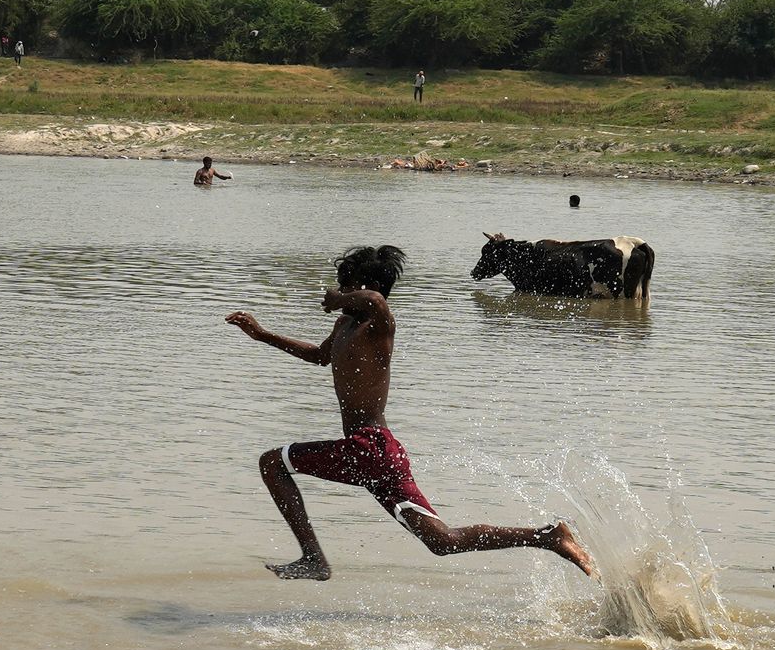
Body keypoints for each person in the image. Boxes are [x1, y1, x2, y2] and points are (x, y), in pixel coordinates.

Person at [225, 246, 594, 581]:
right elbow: (319, 356)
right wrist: (263, 335)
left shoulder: (378, 321)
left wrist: (338, 298)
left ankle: (313, 558)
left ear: (365, 287)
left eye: (346, 284)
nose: (339, 290)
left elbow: (374, 299)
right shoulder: (345, 325)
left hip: (369, 447)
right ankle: (548, 536)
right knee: (443, 541)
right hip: (379, 454)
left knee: (272, 462)